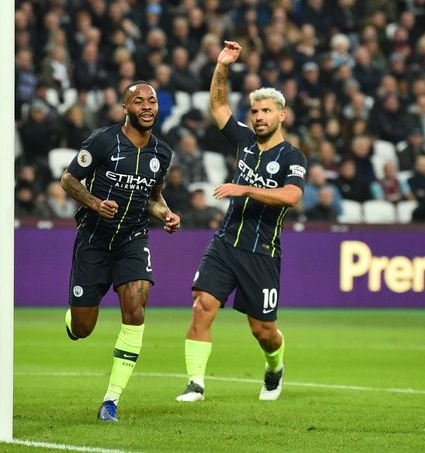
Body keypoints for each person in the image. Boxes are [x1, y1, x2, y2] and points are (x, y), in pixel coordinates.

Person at [176, 41, 306, 404]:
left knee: (263, 331)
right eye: (254, 111)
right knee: (202, 305)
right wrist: (222, 67)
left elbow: (291, 196)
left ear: (281, 115)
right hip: (225, 243)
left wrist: (244, 189)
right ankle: (196, 384)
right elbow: (218, 106)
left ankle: (274, 367)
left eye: (266, 111)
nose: (258, 116)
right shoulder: (245, 143)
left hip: (261, 252)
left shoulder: (293, 157)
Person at [60, 81, 181, 422]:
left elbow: (154, 198)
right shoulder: (103, 140)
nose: (146, 106)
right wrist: (96, 203)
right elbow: (68, 180)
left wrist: (166, 214)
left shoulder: (162, 153)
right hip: (94, 239)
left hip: (132, 239)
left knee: (136, 309)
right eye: (138, 101)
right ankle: (74, 320)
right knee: (83, 327)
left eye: (152, 101)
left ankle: (111, 400)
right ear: (125, 108)